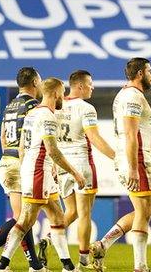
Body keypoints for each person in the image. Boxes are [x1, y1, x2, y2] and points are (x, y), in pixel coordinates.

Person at [0, 77, 85, 272]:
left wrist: (28, 168)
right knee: (26, 220)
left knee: (58, 216)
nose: (63, 97)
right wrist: (74, 173)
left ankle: (67, 266)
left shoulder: (32, 114)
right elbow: (52, 150)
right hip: (38, 173)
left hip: (37, 171)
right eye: (62, 93)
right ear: (56, 94)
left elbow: (23, 147)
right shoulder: (47, 116)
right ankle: (1, 265)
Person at [0, 67, 45, 272]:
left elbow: (3, 137)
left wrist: (10, 158)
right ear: (35, 82)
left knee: (23, 216)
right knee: (23, 218)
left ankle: (35, 265)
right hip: (21, 163)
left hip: (6, 161)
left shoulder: (10, 106)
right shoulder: (34, 106)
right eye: (40, 80)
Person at [42, 70, 114, 270]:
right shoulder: (86, 108)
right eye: (90, 83)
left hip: (62, 165)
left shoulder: (56, 107)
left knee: (71, 211)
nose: (93, 87)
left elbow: (50, 139)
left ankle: (48, 239)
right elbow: (94, 138)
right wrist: (116, 157)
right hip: (82, 165)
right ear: (80, 86)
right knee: (84, 214)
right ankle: (83, 262)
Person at [90, 57, 151, 272]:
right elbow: (130, 133)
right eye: (149, 70)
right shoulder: (131, 96)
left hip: (135, 158)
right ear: (139, 74)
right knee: (143, 212)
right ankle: (140, 266)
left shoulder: (127, 94)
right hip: (136, 159)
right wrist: (134, 168)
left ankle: (103, 244)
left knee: (144, 212)